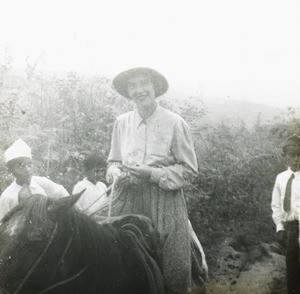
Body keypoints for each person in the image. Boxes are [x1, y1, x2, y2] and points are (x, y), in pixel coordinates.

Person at [97, 67, 207, 294]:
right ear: (128, 92)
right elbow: (113, 161)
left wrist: (153, 174)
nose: (139, 90)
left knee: (174, 259)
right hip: (125, 195)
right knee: (96, 236)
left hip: (163, 199)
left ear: (154, 87)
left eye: (143, 83)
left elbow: (189, 169)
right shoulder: (122, 122)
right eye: (132, 86)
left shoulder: (175, 123)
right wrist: (115, 172)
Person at [0, 139, 69, 221]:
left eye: (29, 164)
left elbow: (63, 194)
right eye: (21, 166)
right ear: (11, 170)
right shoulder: (7, 196)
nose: (27, 169)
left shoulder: (42, 182)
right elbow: (3, 224)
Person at [271, 134, 300, 294]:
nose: (296, 159)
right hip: (290, 228)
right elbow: (276, 205)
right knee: (291, 263)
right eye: (292, 155)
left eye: (299, 155)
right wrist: (279, 226)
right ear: (285, 157)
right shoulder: (281, 179)